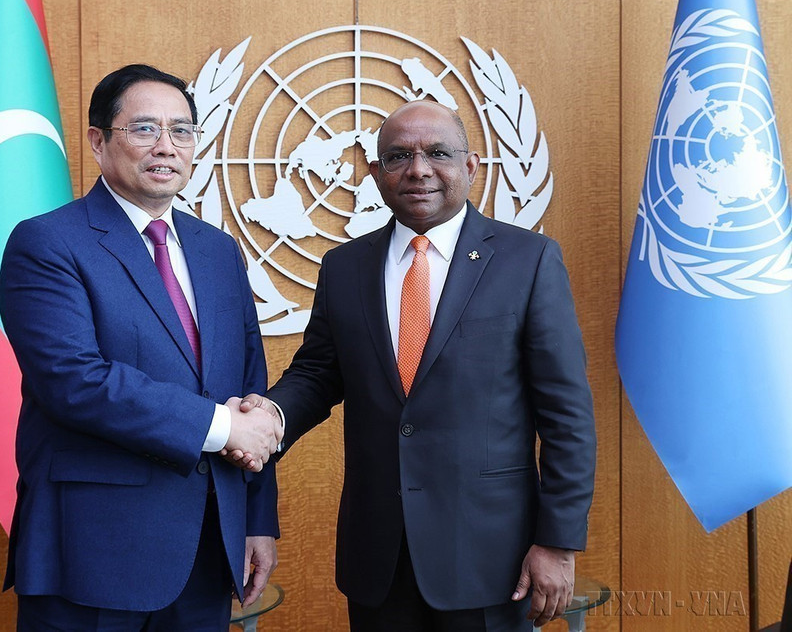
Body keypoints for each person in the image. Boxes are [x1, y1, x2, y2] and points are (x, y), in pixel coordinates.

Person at [231, 100, 596, 630]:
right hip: (379, 556)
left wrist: (558, 541)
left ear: (470, 167)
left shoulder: (529, 260)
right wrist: (268, 418)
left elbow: (567, 416)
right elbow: (317, 374)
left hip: (492, 558)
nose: (418, 169)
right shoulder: (345, 267)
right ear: (376, 173)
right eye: (399, 156)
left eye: (438, 153)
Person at [0, 64, 281, 631]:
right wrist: (223, 429)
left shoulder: (217, 251)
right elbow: (73, 380)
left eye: (182, 131)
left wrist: (257, 518)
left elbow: (249, 389)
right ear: (99, 141)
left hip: (208, 546)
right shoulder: (48, 242)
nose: (166, 147)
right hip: (92, 551)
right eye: (144, 129)